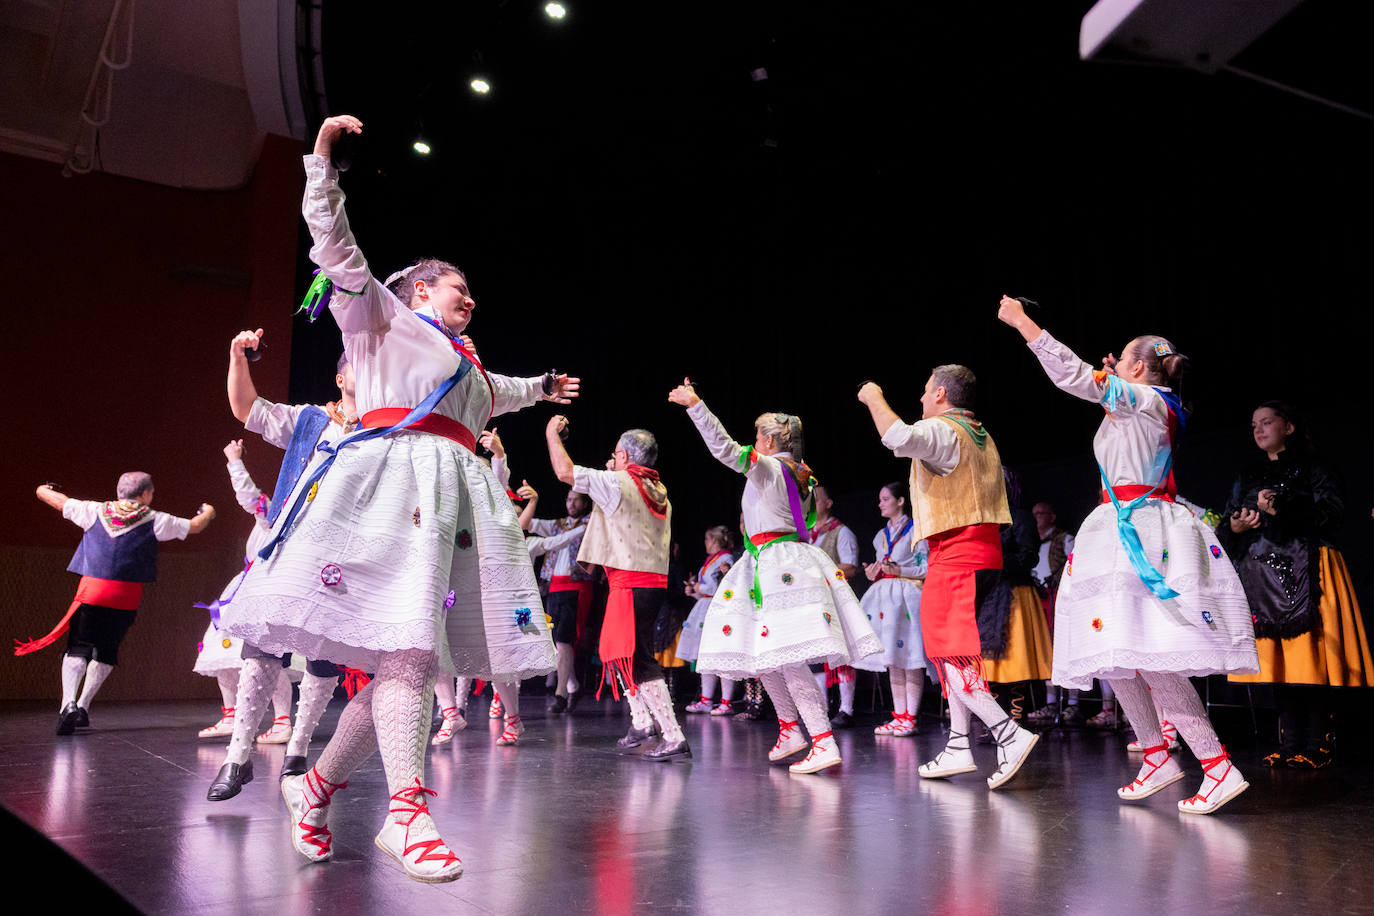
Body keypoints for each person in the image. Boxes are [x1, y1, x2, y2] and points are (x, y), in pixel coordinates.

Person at [226, 115, 571, 883]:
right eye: (460, 289)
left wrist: (542, 388)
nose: (470, 301)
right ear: (421, 288)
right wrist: (322, 166)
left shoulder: (470, 369)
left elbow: (501, 393)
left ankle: (313, 789)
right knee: (411, 657)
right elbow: (335, 247)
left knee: (406, 664)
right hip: (385, 499)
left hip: (445, 512)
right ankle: (406, 810)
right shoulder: (379, 317)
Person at [998, 294, 1257, 814]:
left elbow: (1074, 376)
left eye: (1121, 359)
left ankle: (1217, 764)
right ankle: (1157, 754)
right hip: (1117, 527)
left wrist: (1024, 323)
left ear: (1138, 366)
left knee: (1154, 655)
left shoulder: (1151, 400)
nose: (1109, 363)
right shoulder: (1139, 401)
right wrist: (1116, 387)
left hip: (1139, 527)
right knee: (1116, 654)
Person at [669, 381, 881, 774]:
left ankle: (822, 739)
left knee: (789, 658)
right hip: (778, 560)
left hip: (778, 563)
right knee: (765, 653)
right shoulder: (802, 472)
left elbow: (725, 450)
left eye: (756, 436)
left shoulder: (770, 467)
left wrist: (697, 405)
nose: (753, 442)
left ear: (766, 440)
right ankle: (790, 729)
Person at [858, 365, 1039, 790]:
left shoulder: (943, 430)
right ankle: (959, 744)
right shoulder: (980, 433)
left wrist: (872, 395)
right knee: (956, 655)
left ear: (940, 393)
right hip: (982, 555)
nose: (921, 399)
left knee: (952, 656)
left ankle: (1008, 734)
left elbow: (897, 437)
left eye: (924, 391)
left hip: (955, 555)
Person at [205, 340, 358, 799]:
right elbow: (245, 407)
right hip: (290, 547)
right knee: (262, 643)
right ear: (341, 378)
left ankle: (298, 747)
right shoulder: (310, 419)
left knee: (323, 653)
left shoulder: (387, 433)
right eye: (362, 368)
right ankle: (237, 757)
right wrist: (235, 355)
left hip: (345, 556)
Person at [1222, 401, 1374, 768]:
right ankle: (1290, 742)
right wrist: (1235, 527)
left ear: (1288, 427)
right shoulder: (1248, 474)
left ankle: (1318, 742)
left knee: (1310, 657)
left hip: (1308, 571)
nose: (1258, 430)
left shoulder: (1315, 467)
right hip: (1262, 573)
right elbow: (1227, 522)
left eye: (1267, 422)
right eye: (1254, 424)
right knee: (1277, 663)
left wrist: (1282, 510)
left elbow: (1332, 514)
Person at [545, 415, 690, 761]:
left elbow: (565, 472)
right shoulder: (659, 490)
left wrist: (552, 434)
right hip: (645, 581)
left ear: (623, 456)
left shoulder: (617, 483)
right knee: (620, 654)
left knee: (638, 659)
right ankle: (641, 721)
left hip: (632, 584)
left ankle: (672, 734)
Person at [24, 476, 214, 734]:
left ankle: (68, 704)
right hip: (125, 595)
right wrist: (208, 511)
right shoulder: (156, 519)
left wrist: (42, 488)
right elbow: (195, 526)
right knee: (106, 651)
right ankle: (82, 707)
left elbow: (59, 502)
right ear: (146, 494)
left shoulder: (93, 510)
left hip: (93, 591)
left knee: (78, 647)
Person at [193, 440, 302, 743]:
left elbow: (248, 496)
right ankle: (231, 715)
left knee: (267, 655)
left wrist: (234, 461)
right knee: (224, 650)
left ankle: (282, 721)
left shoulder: (284, 514)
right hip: (245, 586)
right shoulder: (272, 509)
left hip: (268, 589)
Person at [852, 481, 930, 738]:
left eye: (886, 499)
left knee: (911, 657)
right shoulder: (880, 535)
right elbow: (883, 565)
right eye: (880, 499)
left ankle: (911, 717)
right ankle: (899, 715)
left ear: (900, 501)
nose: (881, 504)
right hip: (885, 598)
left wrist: (901, 571)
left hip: (908, 596)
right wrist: (873, 572)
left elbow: (926, 567)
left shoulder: (915, 530)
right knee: (893, 661)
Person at [521, 475, 595, 714]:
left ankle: (561, 692)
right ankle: (572, 684)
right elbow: (527, 523)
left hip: (577, 585)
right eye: (569, 499)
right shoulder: (557, 525)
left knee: (565, 640)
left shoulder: (592, 524)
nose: (571, 503)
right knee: (557, 642)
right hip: (553, 586)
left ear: (585, 504)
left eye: (576, 500)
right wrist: (529, 502)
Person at [808, 485, 863, 727]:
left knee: (842, 656)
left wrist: (824, 573)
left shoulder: (842, 532)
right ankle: (820, 708)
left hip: (835, 600)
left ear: (828, 503)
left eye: (816, 499)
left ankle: (846, 709)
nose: (811, 504)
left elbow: (850, 567)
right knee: (816, 657)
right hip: (813, 602)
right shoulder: (807, 535)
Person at [1026, 501, 1080, 722]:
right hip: (1038, 600)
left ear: (1052, 516)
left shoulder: (1065, 539)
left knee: (1066, 649)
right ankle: (1050, 704)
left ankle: (1073, 704)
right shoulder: (1029, 542)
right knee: (1046, 652)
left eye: (1041, 513)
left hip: (1059, 599)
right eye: (1034, 514)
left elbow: (1075, 568)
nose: (1037, 517)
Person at [678, 525, 737, 714]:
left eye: (707, 539)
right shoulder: (709, 561)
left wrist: (700, 589)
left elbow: (721, 587)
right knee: (707, 656)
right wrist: (694, 590)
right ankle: (706, 699)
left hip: (720, 609)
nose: (705, 543)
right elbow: (705, 587)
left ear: (714, 540)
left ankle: (726, 701)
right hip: (705, 609)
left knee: (721, 655)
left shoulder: (726, 559)